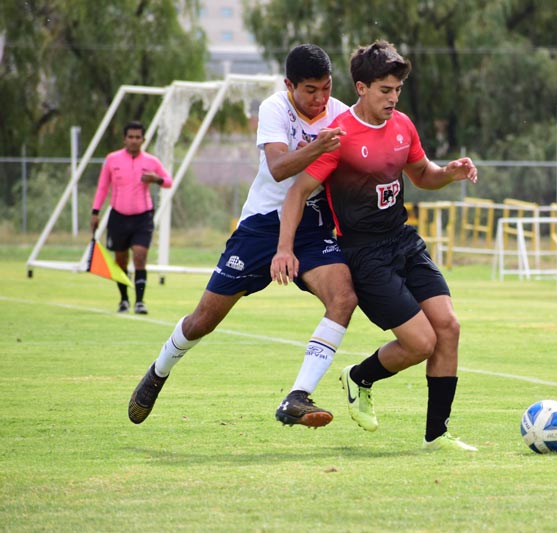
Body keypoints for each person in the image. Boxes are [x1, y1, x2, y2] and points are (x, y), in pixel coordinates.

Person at [127, 44, 357, 428]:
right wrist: (319, 146)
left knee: (344, 296)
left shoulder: (342, 115)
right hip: (261, 225)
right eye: (310, 90)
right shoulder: (273, 109)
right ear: (290, 85)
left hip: (311, 225)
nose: (320, 99)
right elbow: (280, 168)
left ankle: (298, 396)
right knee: (204, 319)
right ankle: (159, 370)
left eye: (326, 88)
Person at [271, 40, 479, 451]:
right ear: (361, 87)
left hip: (403, 240)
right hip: (364, 253)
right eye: (385, 90)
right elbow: (296, 192)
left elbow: (422, 174)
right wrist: (285, 248)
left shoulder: (402, 125)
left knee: (449, 328)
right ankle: (359, 377)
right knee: (421, 343)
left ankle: (437, 436)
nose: (393, 98)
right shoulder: (340, 135)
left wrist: (450, 173)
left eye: (397, 90)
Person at [91, 121, 172, 315]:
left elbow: (168, 181)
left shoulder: (151, 162)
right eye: (130, 137)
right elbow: (103, 187)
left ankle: (140, 301)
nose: (134, 141)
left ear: (143, 140)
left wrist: (156, 179)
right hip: (118, 216)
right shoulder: (112, 160)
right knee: (120, 259)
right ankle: (124, 299)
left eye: (138, 137)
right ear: (124, 139)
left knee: (140, 255)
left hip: (142, 217)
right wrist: (95, 212)